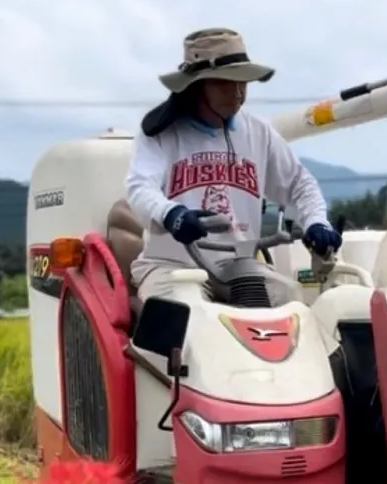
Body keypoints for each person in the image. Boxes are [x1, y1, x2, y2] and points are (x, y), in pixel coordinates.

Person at [124, 27, 341, 307]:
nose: (238, 93)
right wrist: (171, 214)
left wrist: (316, 223)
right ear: (198, 86)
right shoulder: (160, 133)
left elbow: (300, 185)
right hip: (172, 267)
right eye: (226, 83)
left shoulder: (259, 132)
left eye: (243, 83)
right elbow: (140, 188)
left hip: (239, 264)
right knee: (183, 314)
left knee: (291, 304)